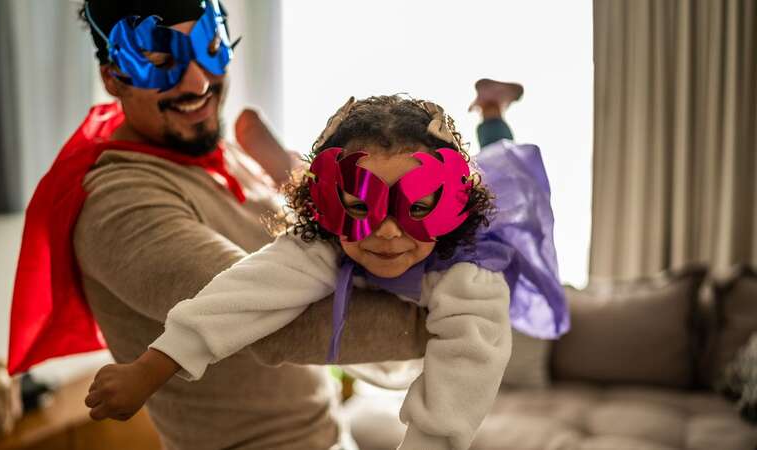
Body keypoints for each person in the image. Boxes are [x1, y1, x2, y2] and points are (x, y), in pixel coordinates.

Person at [7, 2, 433, 449]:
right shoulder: (119, 202)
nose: (198, 82)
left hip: (325, 432)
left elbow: (307, 262)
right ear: (113, 78)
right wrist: (458, 321)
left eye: (209, 48)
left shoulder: (219, 155)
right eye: (161, 62)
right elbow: (265, 321)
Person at [85, 95, 569, 450]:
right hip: (338, 212)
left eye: (415, 206)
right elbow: (247, 293)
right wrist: (152, 366)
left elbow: (465, 372)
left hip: (493, 223)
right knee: (319, 228)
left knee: (505, 163)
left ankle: (491, 108)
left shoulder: (471, 279)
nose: (385, 232)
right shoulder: (328, 240)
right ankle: (293, 170)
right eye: (361, 205)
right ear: (326, 205)